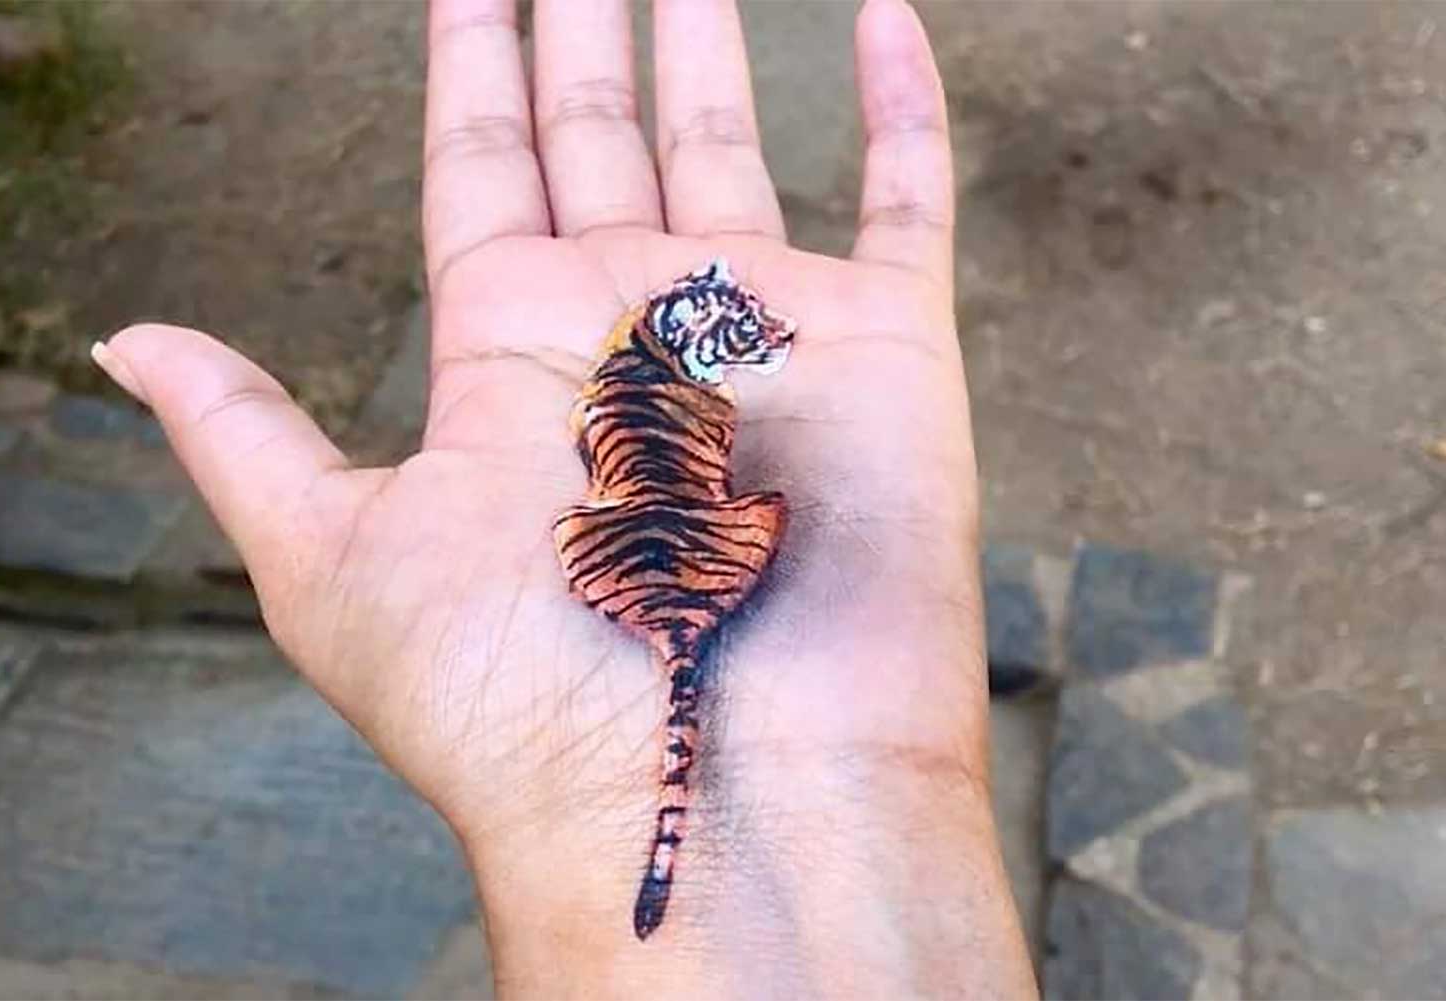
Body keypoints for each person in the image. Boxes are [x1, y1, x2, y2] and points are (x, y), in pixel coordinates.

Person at [92, 0, 1037, 996]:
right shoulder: (703, 410)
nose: (763, 350)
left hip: (619, 568)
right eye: (741, 340)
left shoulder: (609, 403)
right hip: (703, 570)